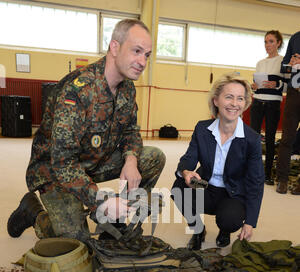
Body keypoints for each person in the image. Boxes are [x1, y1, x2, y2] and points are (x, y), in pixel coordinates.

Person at [7, 19, 166, 240]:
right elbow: (62, 163)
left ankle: (115, 220)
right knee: (75, 240)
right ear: (115, 47)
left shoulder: (128, 88)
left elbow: (130, 130)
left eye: (147, 55)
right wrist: (100, 200)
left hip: (92, 161)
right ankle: (33, 212)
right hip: (54, 172)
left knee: (153, 158)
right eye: (136, 51)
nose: (142, 61)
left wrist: (130, 160)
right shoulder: (78, 91)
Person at [172, 74, 264, 250]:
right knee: (178, 189)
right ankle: (198, 230)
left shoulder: (251, 139)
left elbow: (256, 182)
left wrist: (251, 222)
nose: (234, 103)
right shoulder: (202, 128)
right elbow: (189, 158)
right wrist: (186, 172)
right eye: (229, 97)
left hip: (233, 193)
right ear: (216, 100)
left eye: (240, 98)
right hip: (205, 185)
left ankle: (224, 230)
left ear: (245, 103)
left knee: (230, 219)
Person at [250, 30, 285, 185]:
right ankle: (252, 171)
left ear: (278, 43)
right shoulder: (260, 63)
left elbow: (287, 86)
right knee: (253, 138)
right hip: (257, 102)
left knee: (270, 139)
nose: (267, 45)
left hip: (273, 104)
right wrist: (254, 86)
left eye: (271, 41)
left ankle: (267, 174)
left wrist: (276, 84)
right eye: (265, 41)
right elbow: (256, 87)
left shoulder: (283, 62)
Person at [276, 30, 300, 195]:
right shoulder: (296, 38)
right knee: (287, 138)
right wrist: (290, 64)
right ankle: (282, 180)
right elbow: (283, 68)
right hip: (294, 94)